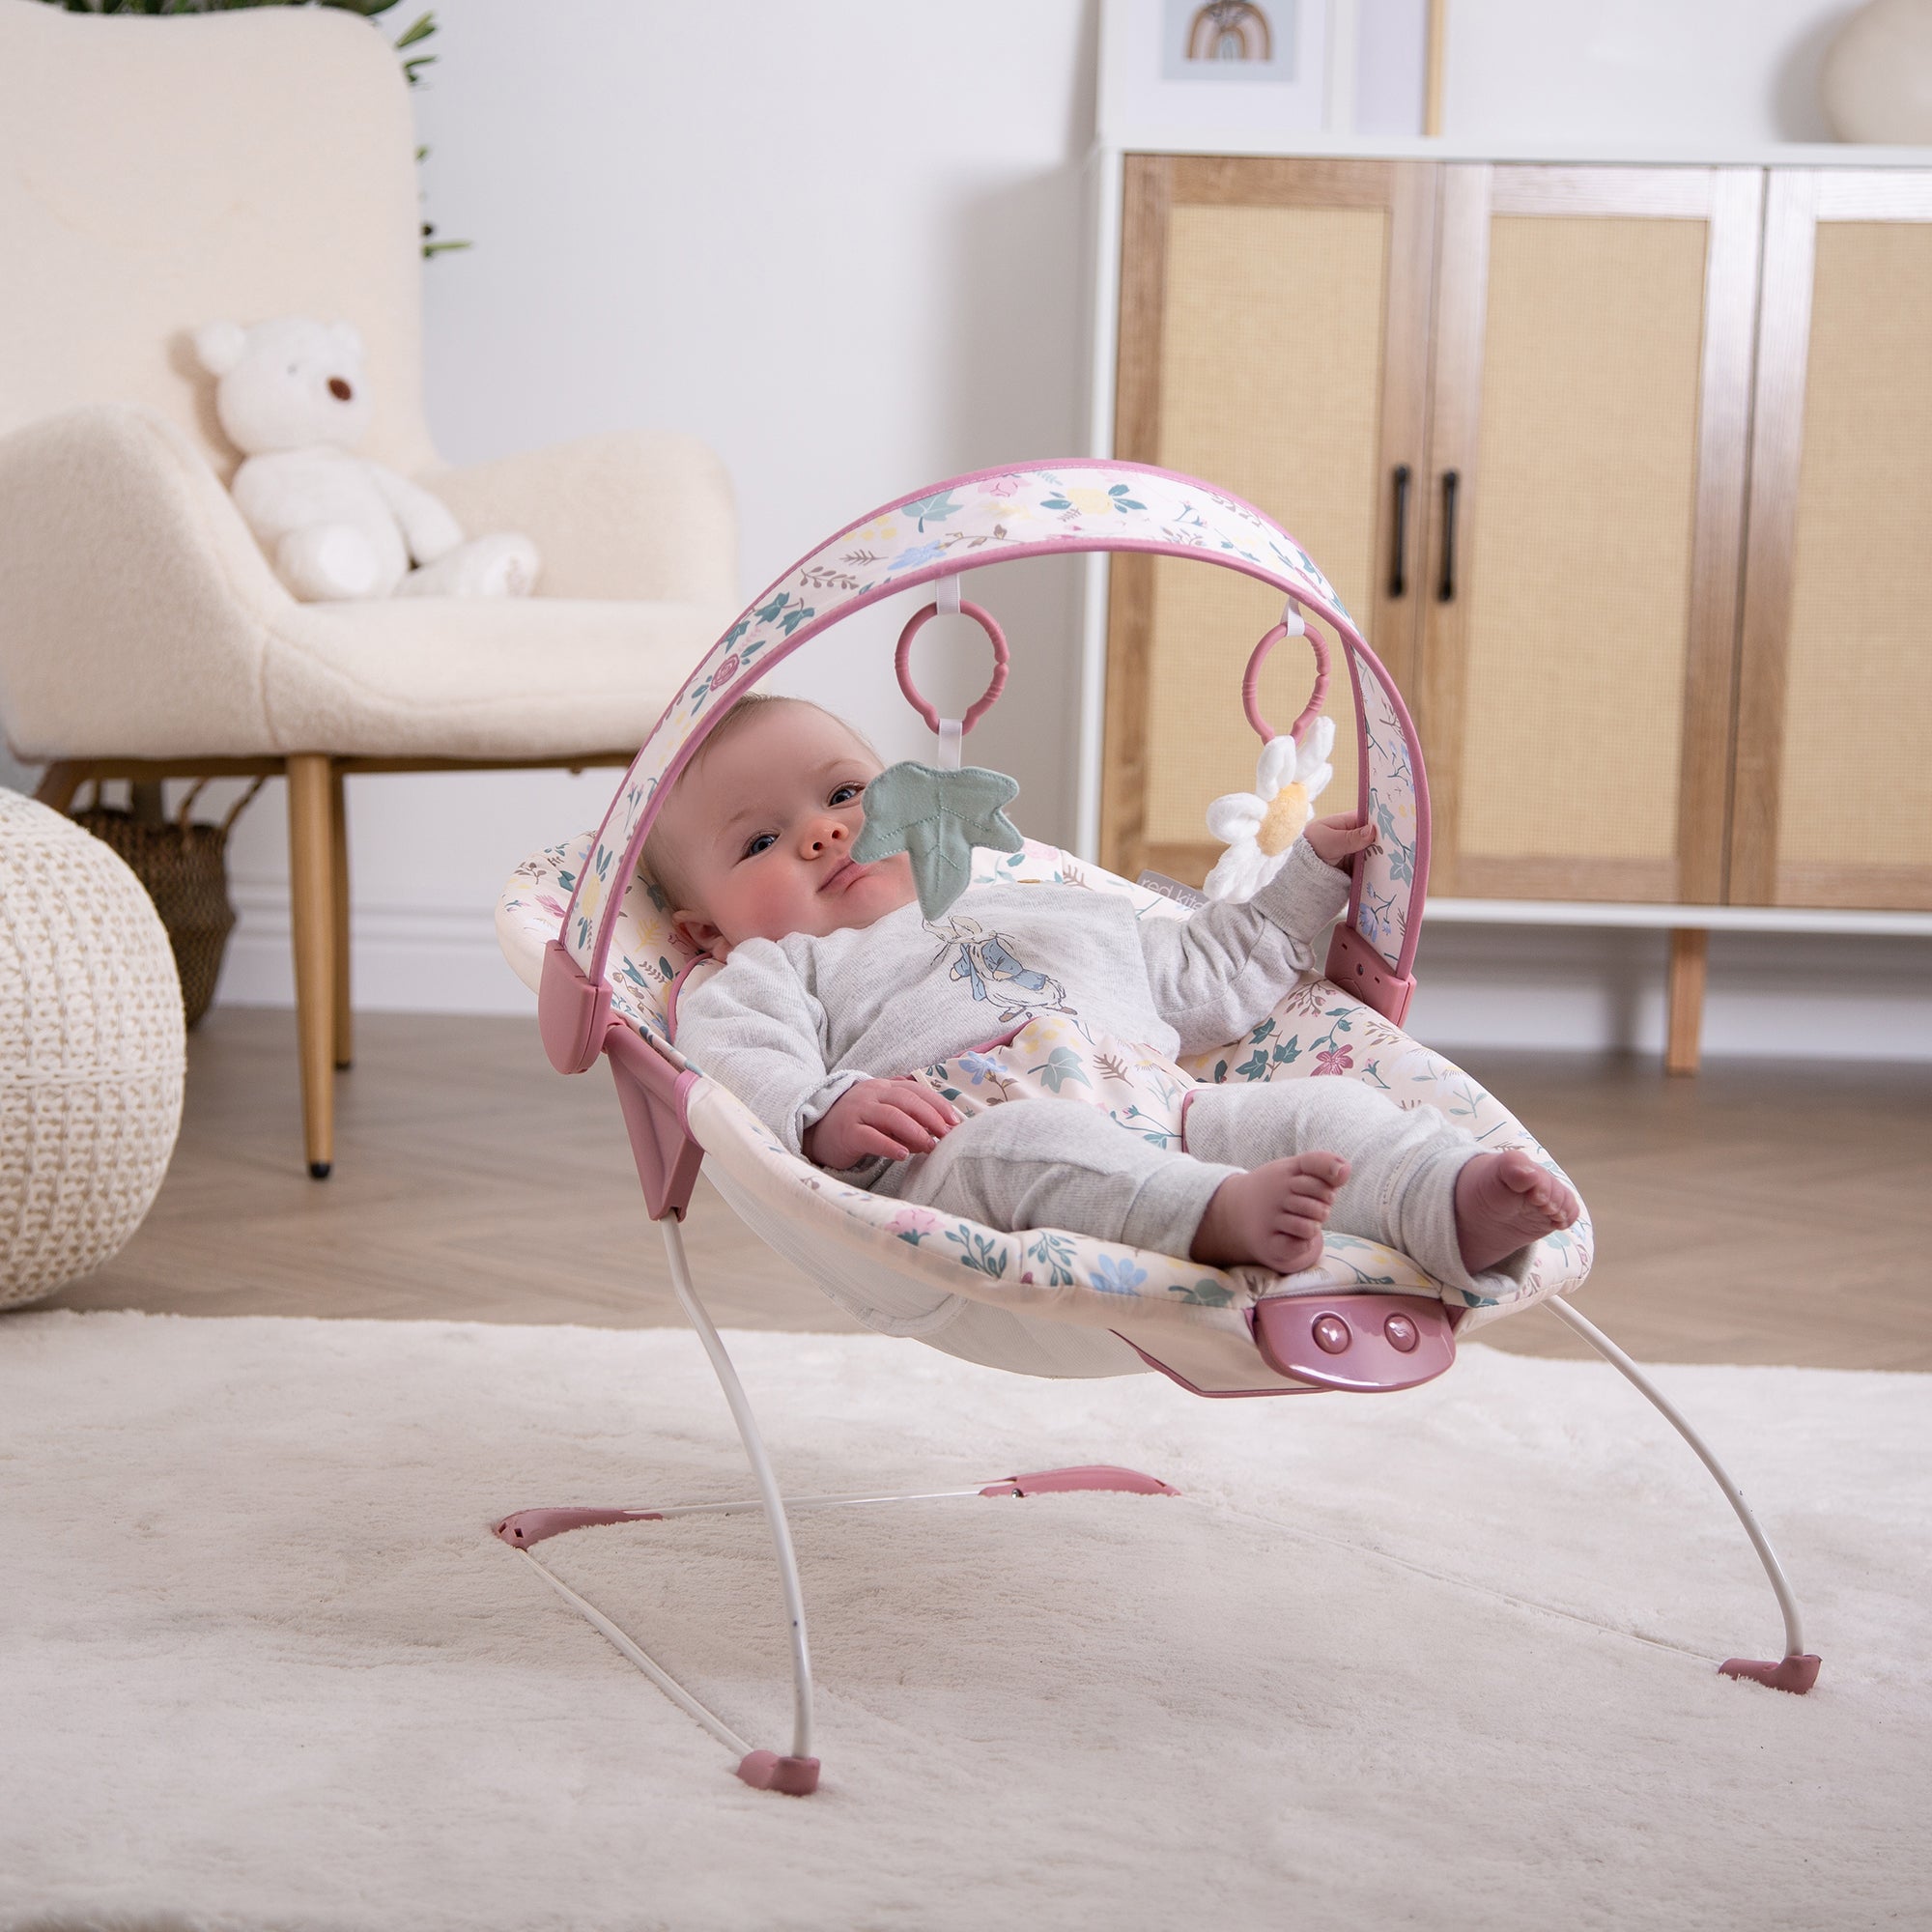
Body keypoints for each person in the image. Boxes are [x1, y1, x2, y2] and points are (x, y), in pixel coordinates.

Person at [647, 693, 1579, 1373]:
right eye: (760, 842)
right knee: (1038, 1144)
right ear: (704, 928)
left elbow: (1213, 968)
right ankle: (1214, 1216)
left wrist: (1307, 879)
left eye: (846, 794)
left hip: (1168, 1107)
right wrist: (822, 1112)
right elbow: (737, 1065)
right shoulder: (767, 968)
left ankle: (1446, 1200)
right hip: (966, 1141)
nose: (821, 834)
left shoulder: (1048, 903)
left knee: (1319, 1109)